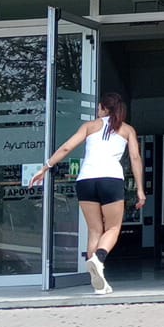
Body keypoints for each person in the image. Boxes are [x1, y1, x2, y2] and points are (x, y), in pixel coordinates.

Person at [31, 92, 148, 295]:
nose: (97, 111)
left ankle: (97, 281)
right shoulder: (127, 130)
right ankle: (98, 259)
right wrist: (140, 190)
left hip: (85, 180)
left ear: (103, 108)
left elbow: (67, 147)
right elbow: (135, 158)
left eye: (99, 107)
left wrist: (46, 167)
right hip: (111, 179)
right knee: (112, 228)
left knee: (94, 230)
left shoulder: (89, 126)